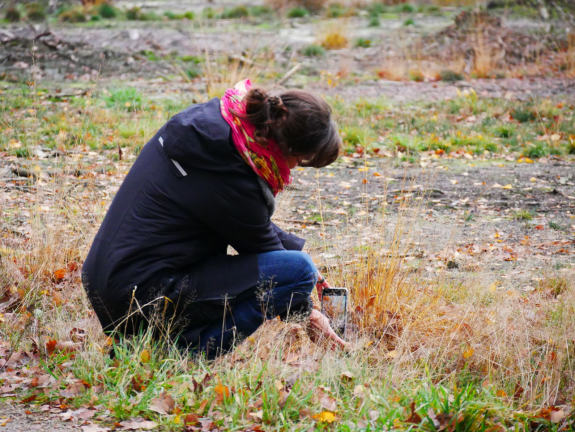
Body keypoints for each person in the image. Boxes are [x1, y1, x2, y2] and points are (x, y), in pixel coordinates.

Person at [82, 79, 347, 358]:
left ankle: (151, 341)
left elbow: (240, 219)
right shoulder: (231, 170)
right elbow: (258, 238)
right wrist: (309, 313)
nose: (294, 171)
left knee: (295, 265)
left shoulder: (214, 130)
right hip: (140, 295)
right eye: (302, 161)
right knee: (300, 270)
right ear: (288, 147)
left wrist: (291, 250)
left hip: (117, 281)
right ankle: (183, 354)